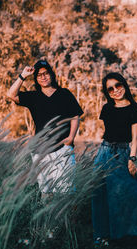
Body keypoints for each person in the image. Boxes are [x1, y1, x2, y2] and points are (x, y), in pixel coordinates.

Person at [92, 72, 137, 249]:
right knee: (100, 195)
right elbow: (107, 133)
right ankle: (103, 235)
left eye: (118, 85)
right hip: (105, 152)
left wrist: (132, 158)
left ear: (124, 84)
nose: (115, 90)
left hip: (123, 153)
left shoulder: (135, 108)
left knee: (131, 193)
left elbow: (135, 137)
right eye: (110, 89)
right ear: (107, 92)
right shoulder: (106, 108)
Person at [7, 60, 83, 196]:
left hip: (62, 150)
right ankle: (48, 218)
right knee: (46, 194)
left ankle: (64, 218)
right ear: (36, 78)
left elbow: (75, 116)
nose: (43, 76)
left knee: (66, 193)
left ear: (52, 75)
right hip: (40, 151)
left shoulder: (65, 94)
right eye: (39, 75)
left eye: (46, 73)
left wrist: (71, 138)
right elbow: (11, 95)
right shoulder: (33, 96)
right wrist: (23, 75)